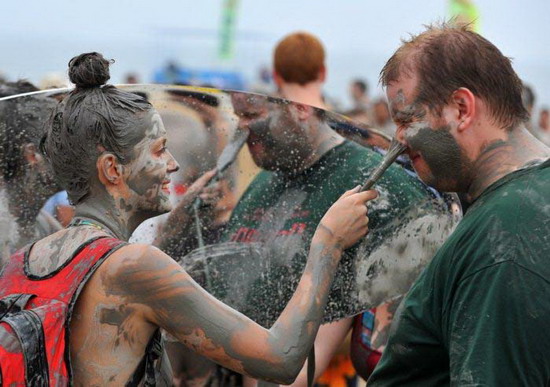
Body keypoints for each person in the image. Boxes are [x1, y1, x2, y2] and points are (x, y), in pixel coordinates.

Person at [0, 52, 377, 386]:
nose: (173, 165)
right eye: (160, 150)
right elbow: (280, 360)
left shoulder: (27, 257)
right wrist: (327, 242)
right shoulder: (136, 268)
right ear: (112, 169)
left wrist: (179, 224)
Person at [159, 31, 446, 387]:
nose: (241, 130)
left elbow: (301, 371)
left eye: (251, 115)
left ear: (300, 106)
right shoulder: (265, 180)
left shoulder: (368, 188)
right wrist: (180, 227)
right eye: (238, 116)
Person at [368, 23, 550, 385]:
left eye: (407, 120)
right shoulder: (519, 203)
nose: (399, 140)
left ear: (462, 109)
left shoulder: (504, 238)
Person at [0, 80, 62, 254]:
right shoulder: (6, 229)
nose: (72, 155)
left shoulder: (40, 222)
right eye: (61, 145)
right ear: (32, 156)